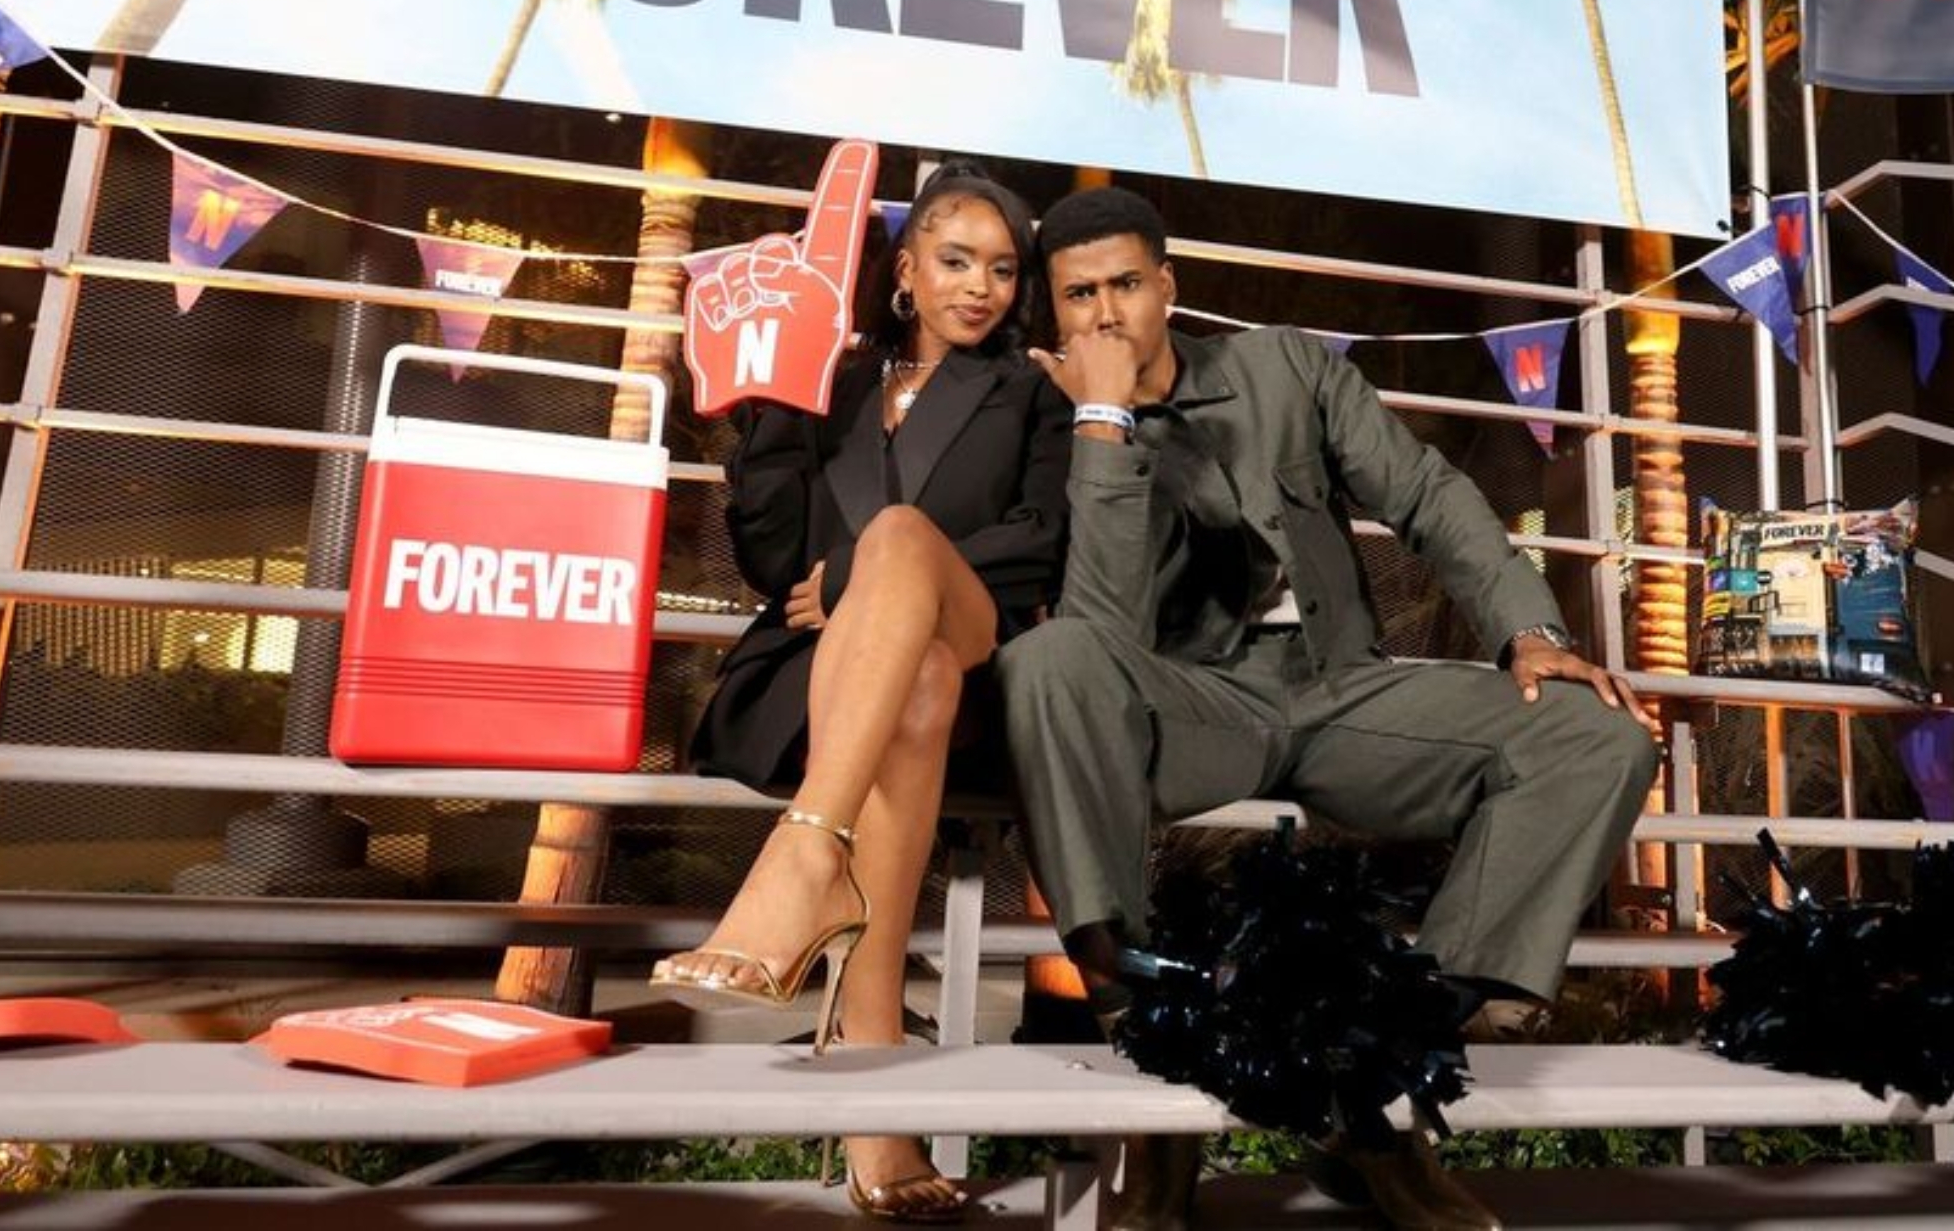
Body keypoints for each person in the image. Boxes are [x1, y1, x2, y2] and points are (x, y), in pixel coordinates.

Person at [1000, 186, 1661, 1231]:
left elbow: (1427, 494)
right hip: (1190, 704)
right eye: (1080, 295)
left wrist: (1530, 632)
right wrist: (1104, 418)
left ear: (1168, 286)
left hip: (1341, 688)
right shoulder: (1051, 420)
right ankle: (1152, 1032)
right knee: (1047, 660)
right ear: (1055, 317)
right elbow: (1102, 633)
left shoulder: (1285, 365)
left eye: (1127, 282)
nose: (1108, 312)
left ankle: (1383, 1067)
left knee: (1593, 732)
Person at [657, 162, 1070, 1223]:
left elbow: (1041, 541)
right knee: (913, 682)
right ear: (904, 269)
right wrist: (770, 405)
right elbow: (772, 558)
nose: (979, 285)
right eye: (954, 259)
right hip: (831, 678)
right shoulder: (830, 384)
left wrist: (862, 576)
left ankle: (805, 856)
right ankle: (875, 1080)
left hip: (980, 642)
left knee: (903, 564)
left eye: (1000, 267)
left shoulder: (1029, 389)